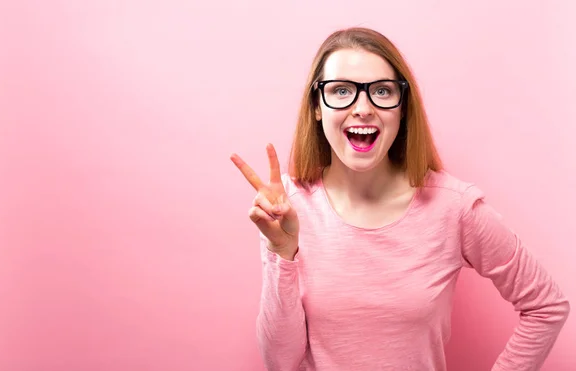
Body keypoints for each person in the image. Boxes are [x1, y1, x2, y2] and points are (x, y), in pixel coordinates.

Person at [229, 27, 570, 371]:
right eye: (341, 90)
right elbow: (280, 362)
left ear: (403, 108)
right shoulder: (286, 207)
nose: (362, 109)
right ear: (317, 107)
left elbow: (546, 306)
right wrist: (281, 255)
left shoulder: (455, 208)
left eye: (381, 90)